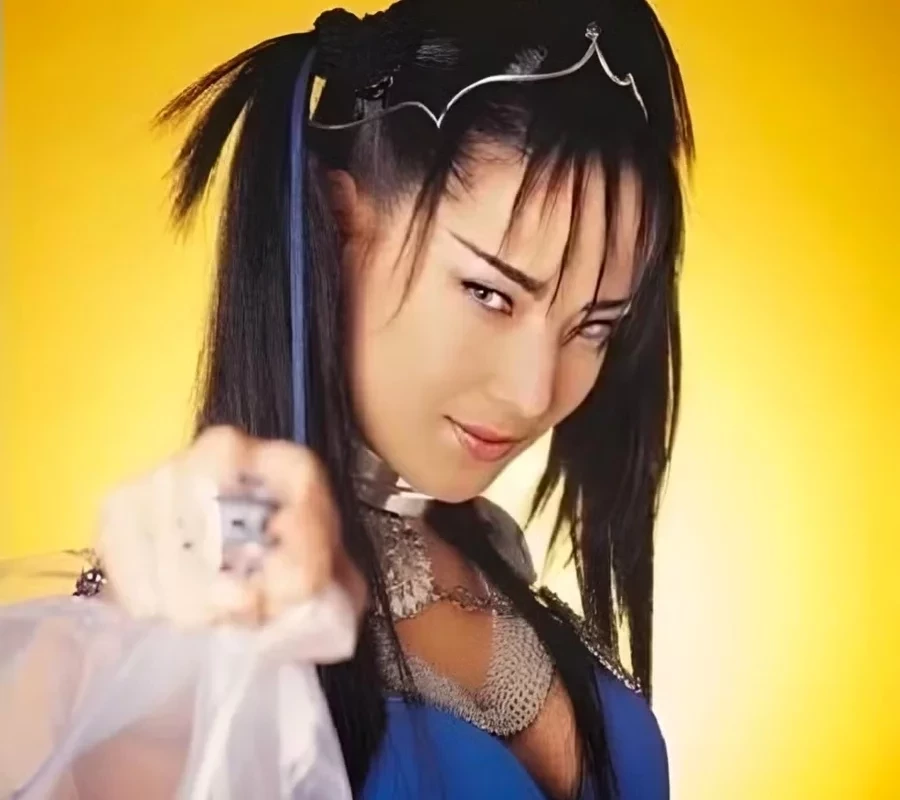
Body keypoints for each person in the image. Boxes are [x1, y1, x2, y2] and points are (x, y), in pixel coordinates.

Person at [0, 0, 693, 797]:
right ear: (337, 225)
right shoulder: (210, 610)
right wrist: (181, 617)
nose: (535, 391)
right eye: (489, 293)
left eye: (594, 327)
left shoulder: (496, 570)